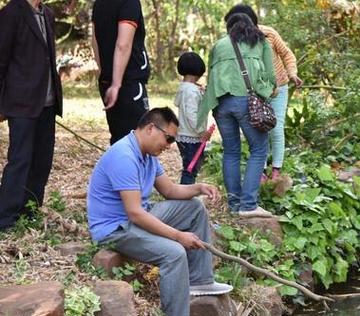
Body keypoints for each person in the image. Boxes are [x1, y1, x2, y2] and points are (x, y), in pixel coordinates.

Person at [87, 107, 232, 316]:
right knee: (174, 254)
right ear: (150, 128)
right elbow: (134, 213)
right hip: (115, 229)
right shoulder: (124, 157)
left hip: (136, 217)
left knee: (194, 208)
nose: (169, 146)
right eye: (169, 139)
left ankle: (200, 281)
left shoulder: (148, 155)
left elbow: (170, 190)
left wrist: (199, 187)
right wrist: (177, 236)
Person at [199, 13, 276, 218]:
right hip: (245, 102)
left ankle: (234, 204)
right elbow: (270, 77)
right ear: (251, 25)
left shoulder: (218, 45)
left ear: (229, 28)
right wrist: (267, 92)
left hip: (220, 104)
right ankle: (248, 205)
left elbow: (211, 78)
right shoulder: (260, 42)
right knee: (259, 148)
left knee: (231, 151)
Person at [0, 0, 63, 230]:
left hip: (47, 101)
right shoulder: (11, 13)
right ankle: (5, 217)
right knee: (20, 159)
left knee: (42, 160)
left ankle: (30, 210)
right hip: (21, 102)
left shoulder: (47, 13)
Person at [224, 4, 303, 180]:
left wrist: (292, 74)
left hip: (279, 88)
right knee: (257, 129)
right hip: (254, 92)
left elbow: (287, 55)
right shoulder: (233, 41)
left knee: (276, 128)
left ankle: (276, 171)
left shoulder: (269, 34)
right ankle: (259, 172)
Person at [91, 0, 150, 144]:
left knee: (118, 137)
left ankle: (119, 165)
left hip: (108, 81)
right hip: (128, 82)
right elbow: (123, 44)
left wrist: (106, 74)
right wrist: (116, 83)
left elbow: (95, 42)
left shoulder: (99, 3)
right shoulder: (129, 2)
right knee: (136, 139)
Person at [175, 52, 209, 185]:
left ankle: (186, 192)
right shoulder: (192, 91)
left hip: (183, 134)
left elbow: (178, 102)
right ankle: (185, 194)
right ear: (198, 71)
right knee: (190, 168)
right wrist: (202, 131)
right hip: (191, 136)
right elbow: (192, 115)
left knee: (189, 165)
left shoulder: (184, 88)